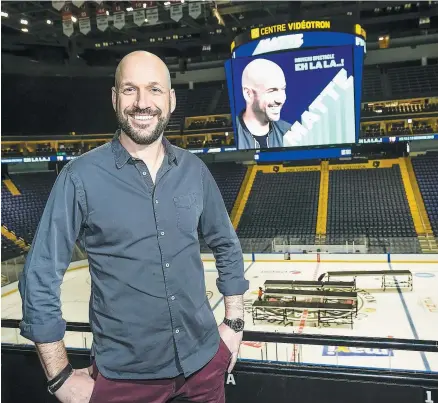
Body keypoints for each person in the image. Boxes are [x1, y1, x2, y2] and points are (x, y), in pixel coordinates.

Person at [18, 50, 249, 403]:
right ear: (114, 98)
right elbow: (40, 274)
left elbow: (226, 244)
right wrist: (59, 376)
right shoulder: (80, 177)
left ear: (170, 100)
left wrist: (233, 324)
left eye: (155, 90)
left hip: (203, 367)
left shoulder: (194, 171)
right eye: (130, 90)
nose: (143, 103)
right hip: (126, 383)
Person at [236, 58, 291, 150]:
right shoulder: (234, 133)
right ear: (248, 94)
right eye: (272, 91)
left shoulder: (289, 132)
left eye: (283, 89)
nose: (280, 99)